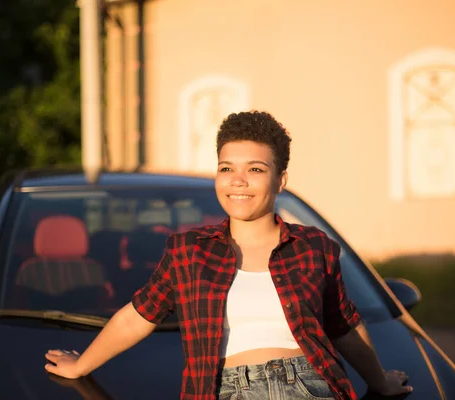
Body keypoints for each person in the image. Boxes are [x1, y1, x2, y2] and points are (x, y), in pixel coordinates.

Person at [44, 111, 414, 399]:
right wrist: (82, 365)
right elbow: (138, 316)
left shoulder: (314, 247)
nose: (238, 180)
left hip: (310, 384)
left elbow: (343, 326)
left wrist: (379, 382)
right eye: (227, 168)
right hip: (225, 389)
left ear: (280, 180)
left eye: (255, 169)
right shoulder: (189, 251)